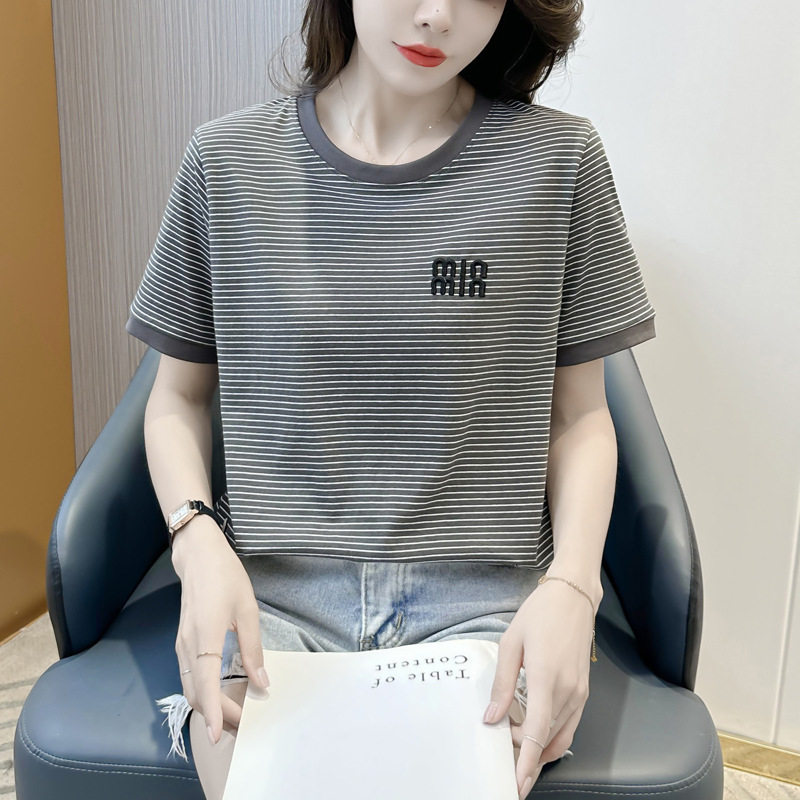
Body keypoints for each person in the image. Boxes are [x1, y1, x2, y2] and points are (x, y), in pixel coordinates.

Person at [125, 0, 656, 797]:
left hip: (482, 599)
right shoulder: (226, 161)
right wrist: (196, 544)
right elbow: (177, 400)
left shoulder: (560, 162)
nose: (437, 15)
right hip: (270, 593)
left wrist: (574, 587)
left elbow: (579, 418)